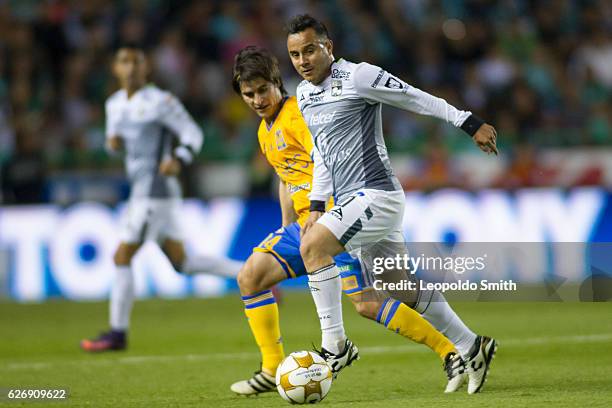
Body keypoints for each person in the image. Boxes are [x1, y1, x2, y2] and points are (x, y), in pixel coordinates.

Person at [229, 46, 467, 396]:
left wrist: (326, 213)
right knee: (250, 277)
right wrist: (285, 223)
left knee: (368, 303)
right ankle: (271, 368)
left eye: (263, 90)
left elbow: (328, 158)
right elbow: (286, 177)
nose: (257, 100)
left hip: (333, 218)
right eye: (249, 94)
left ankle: (449, 351)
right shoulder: (266, 131)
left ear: (277, 84)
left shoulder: (299, 115)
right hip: (303, 225)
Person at [286, 14, 498, 394]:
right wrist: (317, 204)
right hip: (352, 202)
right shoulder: (303, 94)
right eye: (295, 54)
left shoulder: (358, 76)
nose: (302, 60)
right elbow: (323, 154)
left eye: (309, 50)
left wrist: (469, 122)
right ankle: (472, 345)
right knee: (397, 285)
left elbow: (414, 97)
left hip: (376, 195)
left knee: (312, 247)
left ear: (328, 47)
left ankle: (334, 348)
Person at [80, 45, 241, 352]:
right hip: (141, 190)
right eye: (124, 62)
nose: (130, 68)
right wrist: (113, 144)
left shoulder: (161, 102)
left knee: (122, 256)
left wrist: (179, 157)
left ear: (146, 68)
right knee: (182, 263)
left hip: (156, 189)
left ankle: (117, 333)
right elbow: (115, 144)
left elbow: (193, 133)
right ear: (115, 69)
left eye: (136, 62)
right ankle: (249, 271)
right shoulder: (114, 104)